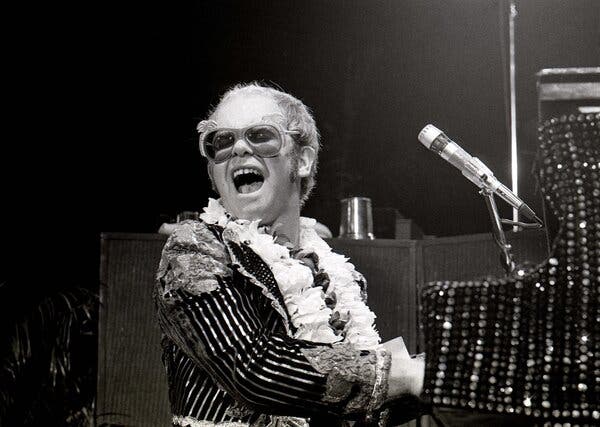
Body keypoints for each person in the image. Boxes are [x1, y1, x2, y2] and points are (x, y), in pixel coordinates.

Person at [154, 83, 426, 427]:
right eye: (221, 142)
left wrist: (445, 378)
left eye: (260, 135)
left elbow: (355, 406)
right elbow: (251, 369)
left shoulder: (333, 274)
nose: (238, 148)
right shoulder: (194, 249)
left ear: (302, 160)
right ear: (212, 173)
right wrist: (405, 373)